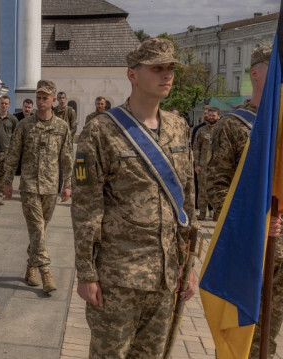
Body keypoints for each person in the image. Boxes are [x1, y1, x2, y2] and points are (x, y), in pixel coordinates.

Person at [71, 38, 197, 358]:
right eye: (157, 68)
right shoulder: (100, 131)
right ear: (133, 75)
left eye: (170, 68)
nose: (167, 75)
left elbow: (187, 204)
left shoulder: (179, 128)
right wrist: (86, 273)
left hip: (166, 278)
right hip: (118, 278)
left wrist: (189, 265)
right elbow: (86, 207)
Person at [207, 45, 283, 359]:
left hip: (280, 257)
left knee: (269, 337)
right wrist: (257, 222)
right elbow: (217, 188)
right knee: (241, 340)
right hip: (249, 252)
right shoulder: (233, 125)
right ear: (255, 73)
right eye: (275, 67)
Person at [2, 79, 73, 295]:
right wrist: (6, 181)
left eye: (45, 98)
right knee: (37, 228)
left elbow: (67, 157)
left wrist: (67, 184)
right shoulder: (25, 125)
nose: (41, 102)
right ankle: (45, 272)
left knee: (40, 230)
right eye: (38, 98)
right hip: (29, 186)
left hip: (51, 186)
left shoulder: (62, 127)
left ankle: (30, 266)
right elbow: (13, 154)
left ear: (53, 100)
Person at [192, 106, 219, 220]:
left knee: (217, 190)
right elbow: (196, 148)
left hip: (218, 167)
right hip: (203, 165)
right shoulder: (201, 131)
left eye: (213, 115)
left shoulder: (223, 130)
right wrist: (197, 164)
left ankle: (217, 214)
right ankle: (202, 212)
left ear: (219, 116)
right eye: (209, 115)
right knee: (202, 190)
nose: (211, 117)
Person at [0, 95, 18, 206]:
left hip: (6, 151)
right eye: (2, 103)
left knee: (3, 175)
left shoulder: (12, 119)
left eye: (6, 103)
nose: (4, 105)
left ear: (9, 105)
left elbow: (15, 135)